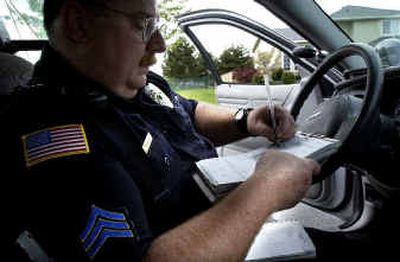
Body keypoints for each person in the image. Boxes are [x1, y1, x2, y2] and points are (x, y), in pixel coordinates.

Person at [3, 0, 320, 261]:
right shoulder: (58, 138)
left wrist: (245, 121)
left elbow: (187, 112)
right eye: (143, 25)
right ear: (78, 25)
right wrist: (264, 190)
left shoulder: (129, 80)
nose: (160, 44)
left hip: (227, 225)